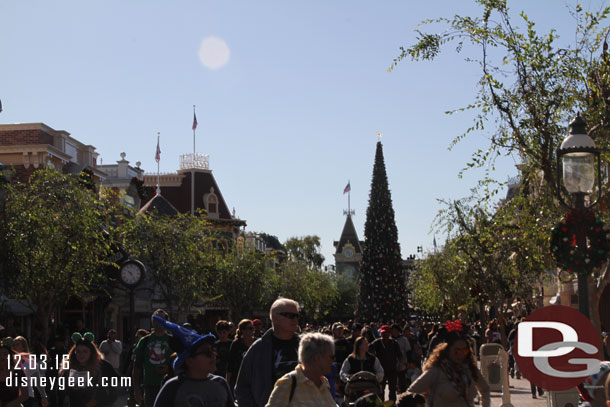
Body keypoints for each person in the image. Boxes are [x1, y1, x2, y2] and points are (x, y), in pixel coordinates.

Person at [152, 316, 234, 407]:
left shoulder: (221, 383)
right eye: (207, 352)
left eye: (213, 350)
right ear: (189, 361)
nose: (214, 355)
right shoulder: (173, 387)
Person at [235, 298, 301, 407]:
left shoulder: (305, 346)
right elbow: (242, 387)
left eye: (297, 316)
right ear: (275, 318)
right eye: (290, 316)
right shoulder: (258, 348)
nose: (295, 320)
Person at [408, 321, 490, 407]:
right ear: (447, 350)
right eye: (457, 351)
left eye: (465, 351)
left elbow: (485, 390)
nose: (462, 354)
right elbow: (410, 393)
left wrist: (485, 405)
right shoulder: (436, 371)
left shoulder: (470, 369)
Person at [265, 332, 337, 407]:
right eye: (331, 357)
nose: (334, 360)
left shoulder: (324, 383)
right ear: (317, 358)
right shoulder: (288, 383)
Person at [59, 332, 119, 407]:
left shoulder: (103, 366)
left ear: (91, 352)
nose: (81, 355)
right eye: (78, 351)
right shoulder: (68, 367)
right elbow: (60, 390)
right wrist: (70, 388)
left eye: (85, 351)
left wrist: (98, 400)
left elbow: (113, 391)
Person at [133, 309, 175, 407]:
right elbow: (137, 366)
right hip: (150, 386)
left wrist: (168, 369)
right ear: (152, 321)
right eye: (155, 318)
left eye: (161, 318)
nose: (158, 321)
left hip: (170, 385)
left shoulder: (173, 341)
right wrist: (136, 389)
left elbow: (182, 364)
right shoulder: (144, 341)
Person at [12, 336, 48, 407]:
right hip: (12, 396)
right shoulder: (8, 361)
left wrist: (44, 397)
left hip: (27, 396)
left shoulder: (30, 363)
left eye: (17, 344)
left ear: (24, 347)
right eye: (13, 345)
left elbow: (37, 381)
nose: (15, 347)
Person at [371, 325, 401, 401]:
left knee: (393, 389)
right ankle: (381, 404)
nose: (385, 335)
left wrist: (399, 364)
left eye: (387, 333)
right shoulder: (377, 343)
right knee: (381, 389)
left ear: (390, 333)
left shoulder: (394, 343)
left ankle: (392, 403)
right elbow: (368, 350)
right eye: (383, 333)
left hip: (392, 369)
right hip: (380, 370)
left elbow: (399, 355)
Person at [227, 319, 255, 391]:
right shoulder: (236, 344)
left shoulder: (257, 342)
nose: (252, 330)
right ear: (243, 330)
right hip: (238, 378)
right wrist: (227, 382)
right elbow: (230, 364)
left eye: (253, 328)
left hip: (254, 378)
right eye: (250, 328)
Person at [0, 337, 29, 407]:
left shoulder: (18, 372)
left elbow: (25, 395)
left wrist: (11, 404)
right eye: (0, 355)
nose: (2, 357)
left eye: (5, 354)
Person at [126, 329, 148, 407]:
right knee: (132, 395)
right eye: (136, 337)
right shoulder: (134, 347)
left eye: (139, 337)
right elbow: (129, 360)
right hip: (133, 373)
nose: (137, 339)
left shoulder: (147, 347)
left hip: (143, 373)